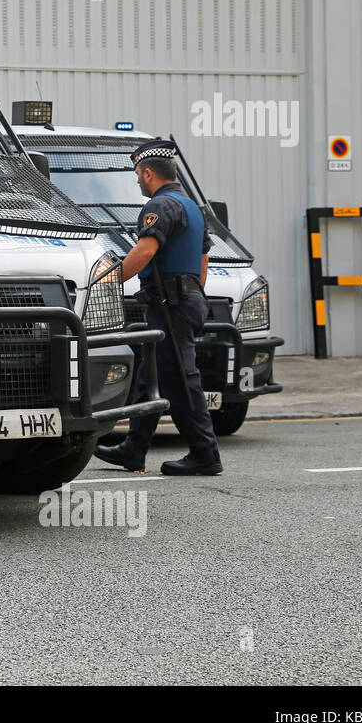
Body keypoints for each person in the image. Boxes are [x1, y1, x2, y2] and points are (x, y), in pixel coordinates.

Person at [94, 139, 223, 476]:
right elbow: (203, 257)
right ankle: (132, 450)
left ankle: (205, 454)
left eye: (138, 174)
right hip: (185, 299)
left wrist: (108, 281)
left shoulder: (161, 206)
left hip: (171, 305)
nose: (137, 180)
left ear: (148, 173)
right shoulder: (191, 206)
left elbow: (145, 252)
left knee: (181, 379)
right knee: (150, 376)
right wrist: (193, 291)